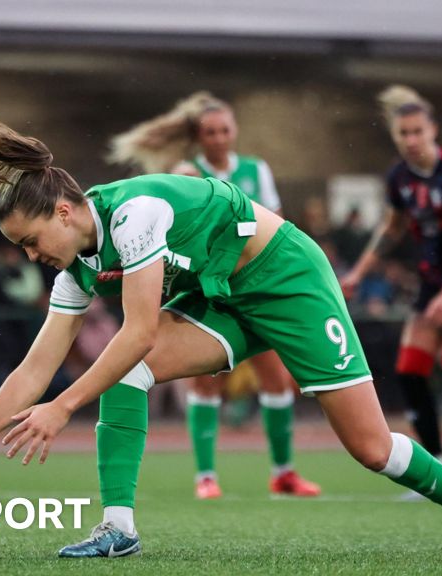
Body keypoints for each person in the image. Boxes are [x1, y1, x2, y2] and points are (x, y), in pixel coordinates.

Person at [0, 96, 442, 557]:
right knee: (132, 376)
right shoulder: (75, 268)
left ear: (66, 211)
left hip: (287, 278)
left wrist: (65, 406)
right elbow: (32, 369)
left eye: (29, 241)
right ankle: (118, 529)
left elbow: (140, 331)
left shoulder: (134, 215)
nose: (29, 256)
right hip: (224, 296)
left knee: (372, 449)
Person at [109, 91, 320, 499]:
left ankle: (284, 472)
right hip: (209, 286)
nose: (219, 138)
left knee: (277, 379)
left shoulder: (257, 172)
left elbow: (276, 225)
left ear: (234, 131)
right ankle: (206, 476)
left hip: (254, 284)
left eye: (225, 130)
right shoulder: (187, 172)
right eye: (210, 132)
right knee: (205, 382)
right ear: (198, 136)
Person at [340, 85, 442, 474]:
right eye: (403, 133)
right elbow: (392, 230)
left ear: (433, 131)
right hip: (431, 281)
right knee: (410, 371)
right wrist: (357, 273)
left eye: (417, 132)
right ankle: (438, 464)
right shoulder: (399, 177)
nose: (410, 140)